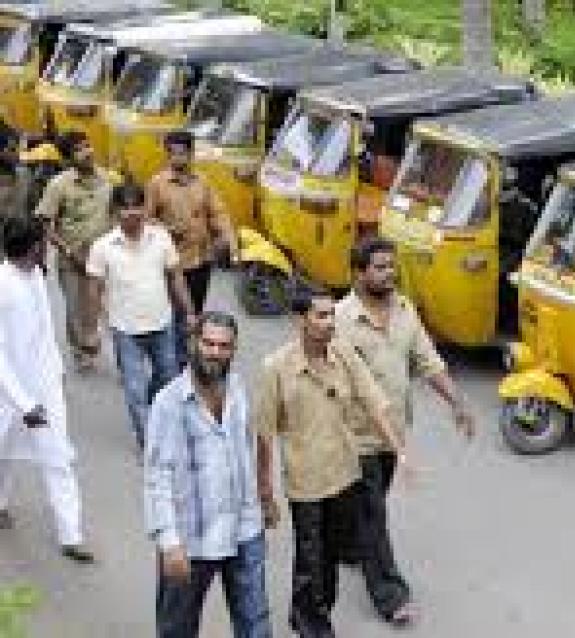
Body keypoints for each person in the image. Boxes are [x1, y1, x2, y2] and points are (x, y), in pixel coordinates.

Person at [334, 238, 475, 625]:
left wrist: (458, 402)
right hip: (355, 436)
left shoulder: (404, 310)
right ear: (359, 273)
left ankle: (348, 546)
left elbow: (428, 361)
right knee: (374, 513)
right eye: (379, 267)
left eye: (391, 266)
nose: (389, 273)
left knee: (369, 504)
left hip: (394, 433)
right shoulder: (340, 320)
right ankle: (390, 594)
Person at [255, 289, 401, 638]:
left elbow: (373, 401)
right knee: (311, 559)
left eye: (332, 315)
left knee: (331, 556)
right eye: (320, 315)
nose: (329, 322)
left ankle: (308, 612)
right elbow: (264, 435)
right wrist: (264, 491)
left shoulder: (345, 354)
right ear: (300, 320)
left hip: (345, 475)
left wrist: (399, 448)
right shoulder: (276, 368)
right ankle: (313, 626)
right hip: (305, 483)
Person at [144, 312, 269, 638]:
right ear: (193, 343)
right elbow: (157, 475)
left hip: (244, 529)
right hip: (191, 540)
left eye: (224, 346)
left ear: (234, 349)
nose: (215, 352)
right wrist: (169, 542)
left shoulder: (238, 389)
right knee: (178, 627)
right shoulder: (168, 403)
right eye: (208, 343)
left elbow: (248, 446)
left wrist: (263, 497)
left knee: (255, 621)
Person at [0, 215, 93, 563]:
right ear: (33, 248)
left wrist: (54, 373)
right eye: (42, 244)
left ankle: (71, 536)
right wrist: (23, 403)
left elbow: (44, 331)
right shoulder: (2, 286)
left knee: (58, 458)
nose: (46, 250)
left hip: (45, 389)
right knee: (3, 453)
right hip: (10, 395)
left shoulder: (37, 275)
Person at [86, 183, 197, 452]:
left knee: (167, 382)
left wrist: (191, 312)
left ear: (144, 209)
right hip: (126, 330)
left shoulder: (160, 238)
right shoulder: (102, 247)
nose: (132, 213)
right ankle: (150, 444)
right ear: (115, 211)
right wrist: (92, 330)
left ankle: (160, 418)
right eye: (125, 208)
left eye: (137, 206)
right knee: (135, 391)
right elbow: (94, 290)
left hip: (162, 324)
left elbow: (176, 276)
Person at [146, 130, 237, 364]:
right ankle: (177, 360)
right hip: (173, 262)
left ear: (191, 155)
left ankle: (187, 354)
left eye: (183, 153)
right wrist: (167, 229)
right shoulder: (157, 184)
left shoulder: (203, 182)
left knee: (195, 310)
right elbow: (146, 219)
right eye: (173, 154)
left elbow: (217, 212)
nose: (178, 158)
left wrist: (228, 238)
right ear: (167, 155)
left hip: (201, 259)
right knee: (177, 311)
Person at [33, 132, 114, 372]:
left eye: (88, 146)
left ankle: (101, 343)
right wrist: (68, 251)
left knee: (106, 305)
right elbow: (45, 222)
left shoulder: (107, 178)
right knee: (76, 308)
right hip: (73, 259)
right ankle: (81, 350)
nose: (87, 152)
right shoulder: (59, 184)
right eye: (79, 149)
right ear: (69, 159)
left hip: (105, 257)